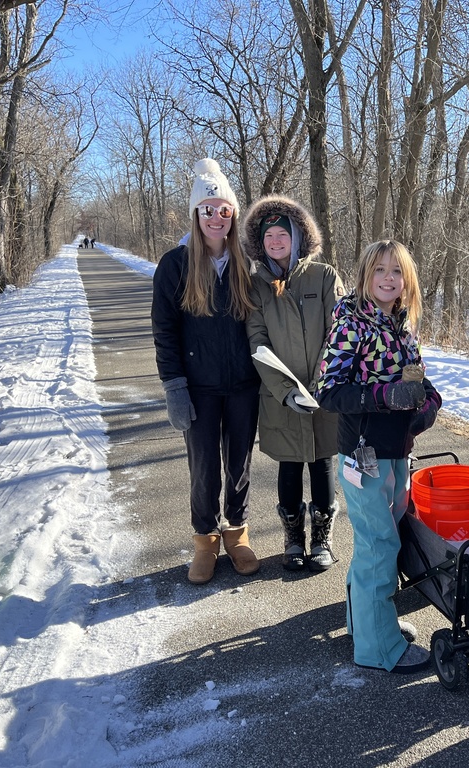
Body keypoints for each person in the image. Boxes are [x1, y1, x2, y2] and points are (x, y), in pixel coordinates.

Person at [316, 240, 442, 673]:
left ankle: (365, 621)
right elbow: (328, 391)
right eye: (380, 271)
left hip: (396, 450)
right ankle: (379, 648)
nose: (389, 279)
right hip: (363, 453)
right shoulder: (351, 322)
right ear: (365, 276)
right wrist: (383, 395)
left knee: (379, 539)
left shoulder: (401, 323)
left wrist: (427, 402)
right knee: (379, 545)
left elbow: (416, 379)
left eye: (397, 271)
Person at [151, 158, 262, 584]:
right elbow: (164, 331)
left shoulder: (247, 265)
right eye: (207, 209)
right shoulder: (175, 265)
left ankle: (236, 533)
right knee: (204, 469)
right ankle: (204, 540)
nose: (216, 217)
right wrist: (173, 386)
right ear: (197, 215)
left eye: (224, 209)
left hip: (242, 387)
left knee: (239, 463)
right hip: (197, 388)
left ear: (234, 215)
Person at [244, 195, 344, 572]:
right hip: (279, 397)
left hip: (322, 392)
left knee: (322, 461)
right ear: (261, 242)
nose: (275, 241)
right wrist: (287, 391)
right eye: (268, 235)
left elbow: (339, 333)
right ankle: (293, 538)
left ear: (297, 236)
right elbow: (257, 342)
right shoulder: (256, 287)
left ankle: (321, 537)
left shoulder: (324, 276)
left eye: (281, 233)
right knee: (289, 465)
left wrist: (321, 381)